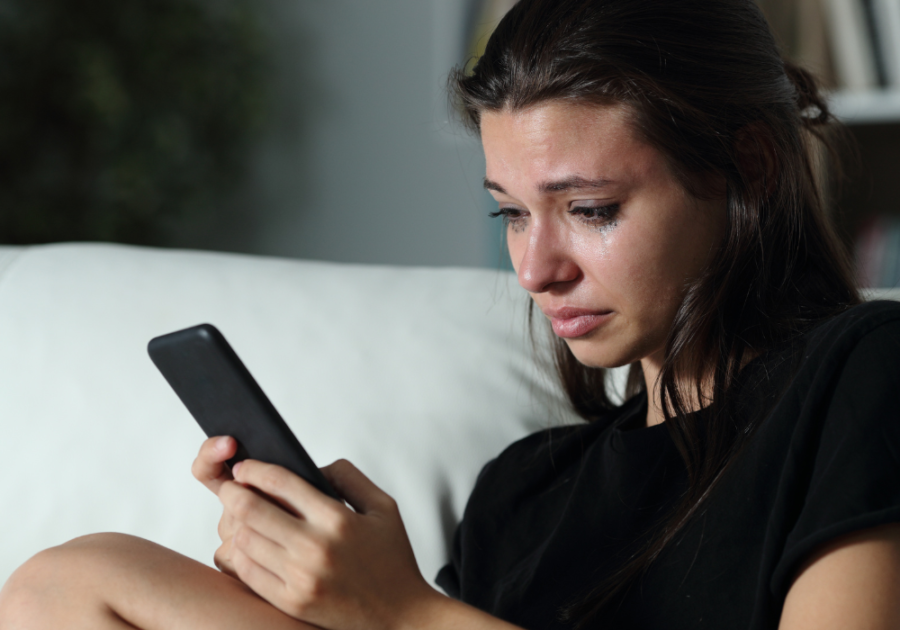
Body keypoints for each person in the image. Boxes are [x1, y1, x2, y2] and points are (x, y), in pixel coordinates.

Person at [2, 0, 899, 628]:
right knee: (76, 583)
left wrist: (404, 614)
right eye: (510, 213)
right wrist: (317, 588)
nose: (535, 269)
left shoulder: (861, 375)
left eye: (590, 209)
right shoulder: (523, 493)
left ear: (749, 166)